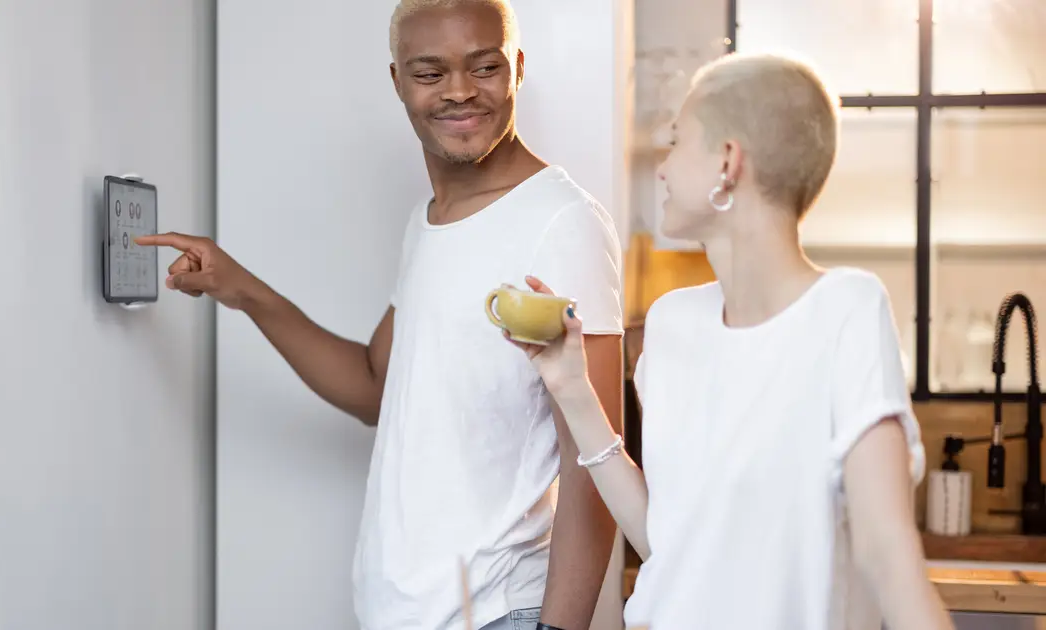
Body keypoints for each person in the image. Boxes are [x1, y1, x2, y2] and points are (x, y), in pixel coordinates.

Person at [137, 1, 624, 629]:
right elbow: (374, 383)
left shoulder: (563, 222)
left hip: (497, 613)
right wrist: (241, 289)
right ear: (396, 79)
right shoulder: (430, 221)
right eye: (429, 73)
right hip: (404, 610)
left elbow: (597, 459)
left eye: (485, 67)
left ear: (518, 69)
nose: (459, 92)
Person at [508, 53, 955, 630]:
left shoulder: (846, 310)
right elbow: (665, 541)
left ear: (727, 161)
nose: (662, 169)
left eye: (677, 143)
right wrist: (572, 390)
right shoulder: (671, 325)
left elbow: (887, 557)